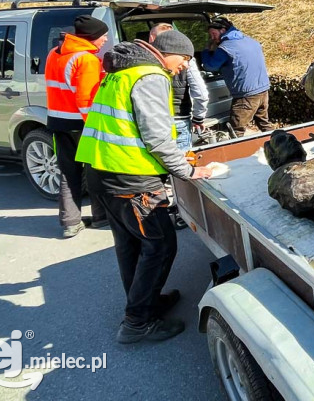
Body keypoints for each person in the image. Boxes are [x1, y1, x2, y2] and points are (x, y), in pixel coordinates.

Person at [76, 30, 213, 343]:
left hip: (101, 170)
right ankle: (138, 321)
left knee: (131, 245)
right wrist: (188, 170)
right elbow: (156, 137)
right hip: (131, 177)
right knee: (161, 244)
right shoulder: (151, 75)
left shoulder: (122, 72)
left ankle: (144, 301)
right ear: (169, 53)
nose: (184, 66)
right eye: (185, 59)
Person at [45, 15, 108, 238]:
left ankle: (71, 222)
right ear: (92, 37)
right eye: (103, 36)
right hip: (81, 124)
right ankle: (101, 217)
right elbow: (85, 100)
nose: (105, 39)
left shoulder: (54, 53)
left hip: (57, 122)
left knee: (68, 173)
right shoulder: (87, 60)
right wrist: (95, 127)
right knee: (94, 172)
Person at [201, 17, 274, 137]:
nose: (212, 38)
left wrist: (206, 51)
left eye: (213, 34)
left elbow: (210, 66)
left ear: (223, 30)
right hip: (263, 90)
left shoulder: (225, 47)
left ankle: (237, 155)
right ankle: (285, 146)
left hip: (246, 96)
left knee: (236, 131)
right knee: (264, 123)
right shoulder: (250, 40)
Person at [148, 23, 208, 151]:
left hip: (152, 122)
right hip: (179, 118)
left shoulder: (143, 60)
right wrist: (198, 118)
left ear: (152, 38)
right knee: (183, 163)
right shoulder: (187, 61)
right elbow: (201, 94)